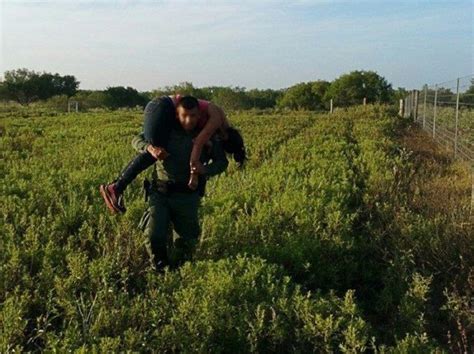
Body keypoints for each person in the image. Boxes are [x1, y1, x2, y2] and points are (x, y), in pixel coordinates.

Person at [100, 94, 245, 214]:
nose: (217, 140)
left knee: (157, 148)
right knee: (155, 148)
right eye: (220, 140)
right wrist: (194, 175)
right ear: (224, 135)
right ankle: (116, 187)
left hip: (168, 109)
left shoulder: (214, 125)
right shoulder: (216, 120)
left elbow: (209, 149)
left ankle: (117, 187)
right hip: (161, 106)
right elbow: (198, 144)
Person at [132, 96, 229, 270]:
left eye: (193, 115)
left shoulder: (206, 136)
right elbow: (137, 139)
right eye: (184, 115)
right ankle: (160, 269)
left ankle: (181, 272)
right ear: (177, 115)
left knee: (186, 243)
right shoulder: (165, 130)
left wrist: (204, 170)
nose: (189, 120)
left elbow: (222, 163)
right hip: (160, 193)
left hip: (187, 196)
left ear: (199, 115)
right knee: (154, 235)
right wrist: (151, 149)